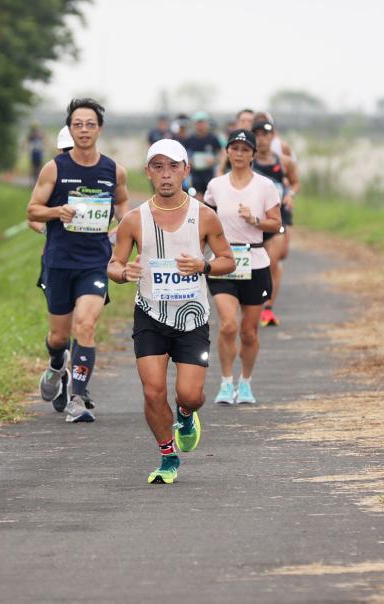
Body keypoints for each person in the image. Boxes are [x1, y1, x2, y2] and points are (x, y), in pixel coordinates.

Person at [107, 139, 235, 484]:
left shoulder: (205, 216)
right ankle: (167, 455)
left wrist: (203, 266)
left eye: (173, 167)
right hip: (149, 313)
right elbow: (114, 264)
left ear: (185, 170)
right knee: (152, 392)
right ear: (148, 172)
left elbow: (228, 260)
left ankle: (185, 414)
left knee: (190, 395)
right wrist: (123, 273)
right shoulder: (134, 220)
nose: (166, 175)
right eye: (158, 167)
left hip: (192, 316)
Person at [27, 98, 130, 422]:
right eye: (77, 124)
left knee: (85, 325)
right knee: (59, 336)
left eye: (90, 124)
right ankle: (57, 365)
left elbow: (123, 205)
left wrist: (121, 230)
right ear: (70, 129)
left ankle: (78, 398)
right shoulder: (55, 168)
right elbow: (32, 210)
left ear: (99, 129)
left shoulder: (114, 170)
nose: (84, 129)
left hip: (94, 262)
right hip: (59, 261)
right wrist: (58, 211)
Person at [203, 129, 281, 405]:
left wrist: (255, 220)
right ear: (227, 152)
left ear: (252, 154)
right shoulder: (215, 186)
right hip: (224, 261)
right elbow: (206, 220)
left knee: (249, 331)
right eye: (234, 149)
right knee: (226, 325)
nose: (239, 154)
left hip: (255, 261)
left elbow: (276, 224)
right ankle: (225, 383)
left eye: (244, 149)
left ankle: (245, 383)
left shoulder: (265, 186)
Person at [252, 118, 300, 327]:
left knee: (273, 262)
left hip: (276, 216)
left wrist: (290, 194)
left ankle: (268, 308)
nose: (261, 139)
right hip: (252, 220)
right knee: (256, 264)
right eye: (258, 135)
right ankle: (251, 303)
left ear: (273, 137)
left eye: (266, 135)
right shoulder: (246, 161)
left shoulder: (283, 162)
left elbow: (295, 182)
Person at [184, 111, 225, 199]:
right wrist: (189, 160)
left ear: (207, 123)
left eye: (202, 122)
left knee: (209, 198)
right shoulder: (190, 139)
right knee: (195, 196)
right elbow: (184, 155)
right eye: (198, 122)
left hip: (209, 173)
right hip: (194, 174)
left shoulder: (213, 139)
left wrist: (215, 160)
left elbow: (221, 154)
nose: (200, 125)